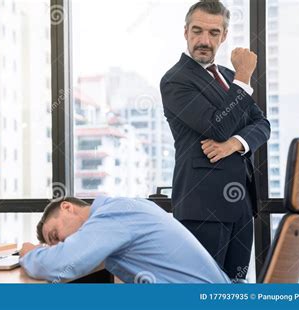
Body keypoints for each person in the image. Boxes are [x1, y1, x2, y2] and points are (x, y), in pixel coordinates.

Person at [160, 0, 270, 281]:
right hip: (201, 207)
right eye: (197, 31)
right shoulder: (175, 81)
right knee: (204, 290)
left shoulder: (230, 78)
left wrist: (234, 144)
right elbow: (216, 126)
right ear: (185, 32)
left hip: (241, 205)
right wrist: (245, 78)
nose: (204, 40)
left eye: (213, 33)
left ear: (224, 36)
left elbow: (262, 125)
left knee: (236, 287)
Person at [19, 196, 231, 283]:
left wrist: (29, 253)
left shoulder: (111, 215)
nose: (62, 243)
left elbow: (62, 263)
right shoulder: (121, 207)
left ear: (67, 207)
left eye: (56, 236)